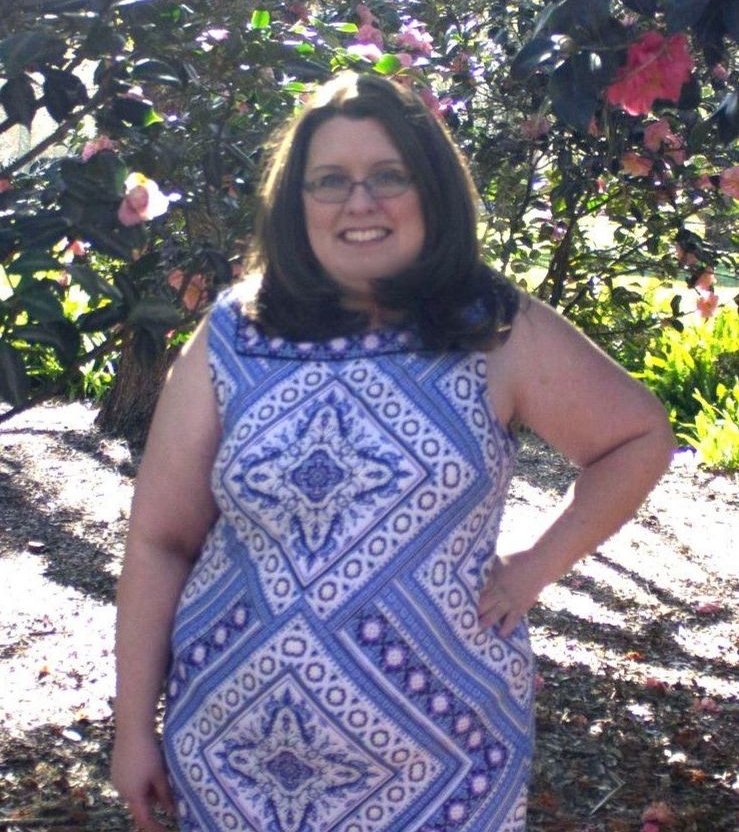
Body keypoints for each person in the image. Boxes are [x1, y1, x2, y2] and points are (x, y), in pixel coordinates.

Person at [111, 72, 674, 832]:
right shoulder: (234, 335)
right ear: (295, 201)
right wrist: (133, 729)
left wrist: (534, 567)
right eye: (330, 181)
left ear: (431, 190)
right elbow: (160, 540)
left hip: (443, 763)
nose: (360, 202)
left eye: (388, 176)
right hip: (233, 761)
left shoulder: (493, 327)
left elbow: (637, 438)